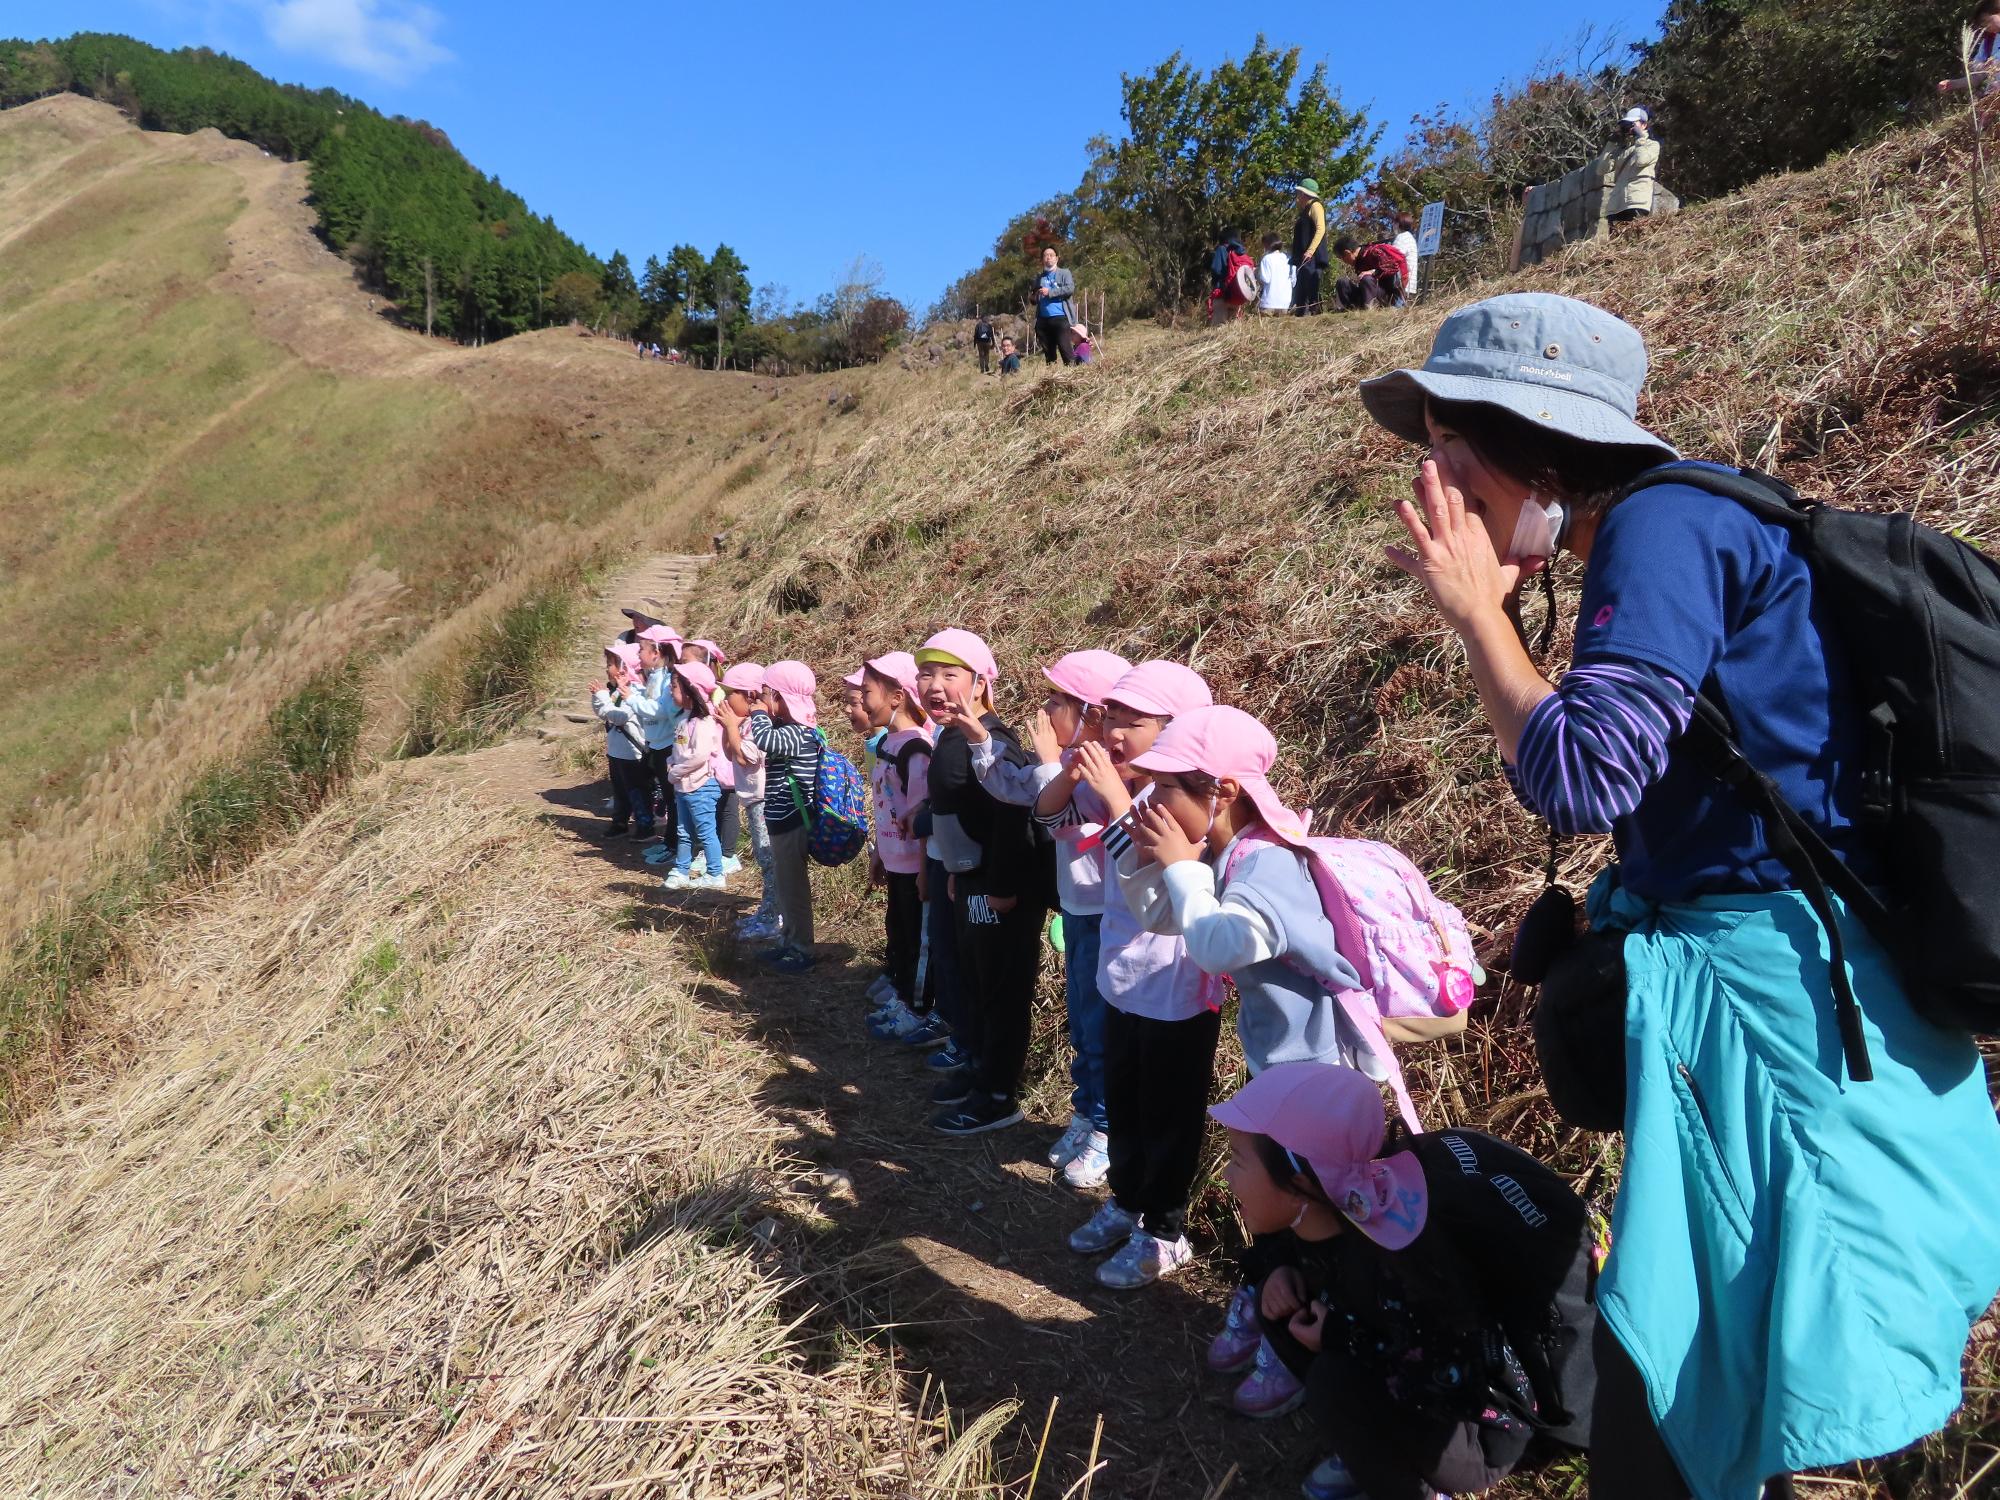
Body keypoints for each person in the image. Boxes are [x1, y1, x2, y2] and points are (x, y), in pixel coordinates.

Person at [1357, 291, 2000, 1498]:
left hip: (1776, 1006)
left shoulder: (1662, 525)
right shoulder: (1671, 527)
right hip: (1775, 980)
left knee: (1739, 1333)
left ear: (1532, 437)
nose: (1433, 476)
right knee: (1736, 1316)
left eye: (1449, 440)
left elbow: (1584, 773)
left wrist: (1478, 620)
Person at [1212, 1063, 1598, 1500]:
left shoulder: (1399, 1262)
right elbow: (1287, 1250)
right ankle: (1370, 1443)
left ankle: (1409, 1481)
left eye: (1238, 1162)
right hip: (1404, 1378)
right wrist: (1278, 1271)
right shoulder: (1326, 1207)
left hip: (1475, 1430)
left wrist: (1341, 1336)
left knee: (1333, 1386)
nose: (1227, 1175)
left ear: (1300, 1185)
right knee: (1277, 1299)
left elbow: (1441, 1374)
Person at [1065, 661, 1218, 1290]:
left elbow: (1164, 897)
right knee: (1126, 1104)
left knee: (1169, 1115)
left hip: (1177, 992)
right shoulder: (1141, 794)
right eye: (1112, 718)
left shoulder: (1188, 804)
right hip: (1122, 978)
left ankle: (1164, 1230)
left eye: (1136, 721)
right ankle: (1126, 1202)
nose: (1117, 734)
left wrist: (1119, 802)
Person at [961, 649, 1130, 1187]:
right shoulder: (1073, 766)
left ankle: (1106, 1128)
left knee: (1102, 1026)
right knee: (1083, 1020)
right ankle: (1086, 1114)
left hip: (1113, 918)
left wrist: (1054, 764)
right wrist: (979, 740)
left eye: (1058, 701)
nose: (1046, 710)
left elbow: (1062, 814)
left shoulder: (1115, 775)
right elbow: (1016, 790)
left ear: (1094, 714)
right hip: (1081, 914)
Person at [918, 629, 1056, 1135]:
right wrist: (959, 874)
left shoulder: (993, 740)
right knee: (977, 985)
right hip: (971, 882)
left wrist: (998, 886)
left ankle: (997, 1097)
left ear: (980, 685)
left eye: (949, 675)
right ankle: (979, 1073)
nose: (934, 685)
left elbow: (1015, 817)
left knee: (1000, 991)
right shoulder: (950, 735)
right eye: (926, 674)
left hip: (999, 891)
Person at [860, 653, 937, 1044]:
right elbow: (887, 806)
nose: (861, 701)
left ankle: (918, 1009)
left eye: (867, 692)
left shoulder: (916, 749)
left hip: (915, 867)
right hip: (896, 860)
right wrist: (879, 852)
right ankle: (903, 997)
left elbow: (922, 819)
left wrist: (925, 870)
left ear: (896, 697)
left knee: (918, 941)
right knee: (899, 933)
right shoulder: (889, 742)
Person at [730, 660, 822, 973]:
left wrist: (756, 714)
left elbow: (765, 741)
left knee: (794, 889)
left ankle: (802, 950)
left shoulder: (798, 732)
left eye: (767, 694)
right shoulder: (788, 729)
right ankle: (788, 941)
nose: (761, 701)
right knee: (785, 886)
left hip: (794, 821)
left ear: (782, 698)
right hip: (782, 819)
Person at [720, 662, 781, 942]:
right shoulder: (743, 723)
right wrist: (727, 727)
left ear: (748, 695)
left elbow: (746, 757)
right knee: (763, 857)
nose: (725, 699)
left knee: (769, 859)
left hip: (764, 801)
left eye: (729, 693)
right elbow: (729, 752)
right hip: (754, 801)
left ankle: (773, 917)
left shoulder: (759, 724)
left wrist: (732, 726)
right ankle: (768, 911)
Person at [663, 661, 727, 892]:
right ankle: (681, 869)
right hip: (683, 786)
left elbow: (699, 756)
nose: (671, 690)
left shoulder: (703, 721)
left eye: (675, 686)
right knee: (684, 831)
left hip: (700, 787)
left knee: (706, 832)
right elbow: (678, 751)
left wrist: (675, 772)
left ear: (691, 690)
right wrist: (671, 763)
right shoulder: (684, 720)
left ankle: (715, 874)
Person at [630, 625, 684, 863]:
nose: (638, 653)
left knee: (672, 799)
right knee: (669, 797)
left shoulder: (668, 678)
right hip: (657, 742)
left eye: (641, 648)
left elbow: (661, 710)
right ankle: (669, 842)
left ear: (657, 652)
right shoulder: (655, 676)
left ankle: (674, 845)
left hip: (668, 744)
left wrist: (632, 700)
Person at [592, 642, 654, 840]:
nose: (607, 668)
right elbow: (605, 713)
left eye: (611, 663)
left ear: (624, 667)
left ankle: (645, 826)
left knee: (636, 791)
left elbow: (619, 716)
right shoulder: (617, 691)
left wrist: (603, 698)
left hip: (632, 753)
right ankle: (620, 823)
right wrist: (598, 698)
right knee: (619, 791)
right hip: (616, 751)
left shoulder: (636, 691)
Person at [1605, 108, 1661, 230]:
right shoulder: (1622, 150)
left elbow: (1641, 161)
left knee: (1634, 238)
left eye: (1632, 124)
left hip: (1636, 200)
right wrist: (1610, 145)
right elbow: (1601, 170)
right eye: (1626, 125)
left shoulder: (1652, 145)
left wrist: (1640, 138)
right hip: (1616, 204)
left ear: (1644, 125)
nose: (1629, 128)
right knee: (1616, 245)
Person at [1333, 236, 1408, 311]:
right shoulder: (1359, 261)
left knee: (1366, 278)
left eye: (1342, 258)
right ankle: (1350, 310)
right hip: (1367, 294)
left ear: (1348, 253)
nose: (1344, 261)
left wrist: (1372, 272)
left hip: (1386, 296)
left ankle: (1370, 309)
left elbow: (1393, 267)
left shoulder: (1375, 251)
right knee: (1342, 282)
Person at [1940, 1, 2000, 93]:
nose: (1987, 27)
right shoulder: (1988, 43)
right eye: (1983, 25)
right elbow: (1976, 77)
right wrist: (1952, 84)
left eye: (1988, 21)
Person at [1290, 177, 1330, 315]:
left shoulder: (1315, 206)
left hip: (1312, 256)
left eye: (1299, 193)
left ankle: (1314, 313)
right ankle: (1301, 313)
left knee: (1311, 285)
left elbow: (1321, 228)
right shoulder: (1305, 210)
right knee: (1301, 286)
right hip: (1304, 256)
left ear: (1304, 194)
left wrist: (1311, 250)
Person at [1033, 247, 1078, 365]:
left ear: (1057, 258)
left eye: (1051, 255)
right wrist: (1033, 297)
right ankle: (1052, 377)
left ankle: (1072, 374)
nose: (1048, 258)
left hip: (1060, 316)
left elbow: (1070, 289)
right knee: (1049, 354)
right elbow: (1034, 296)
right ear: (1042, 259)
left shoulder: (1064, 273)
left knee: (1065, 349)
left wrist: (1050, 292)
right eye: (1045, 255)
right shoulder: (1039, 277)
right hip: (1043, 319)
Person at [1209, 227, 1253, 325]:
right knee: (1233, 325)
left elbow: (1216, 269)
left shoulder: (1222, 249)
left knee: (1219, 326)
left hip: (1221, 293)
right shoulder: (1241, 252)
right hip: (1237, 294)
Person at [1257, 233, 1294, 316]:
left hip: (1269, 301)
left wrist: (1257, 274)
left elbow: (1265, 279)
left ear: (1267, 244)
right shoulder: (1287, 258)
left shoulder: (1266, 259)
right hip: (1285, 302)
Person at [1391, 212, 1420, 304]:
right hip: (1409, 283)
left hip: (1402, 283)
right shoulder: (1410, 237)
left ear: (1398, 224)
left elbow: (1391, 259)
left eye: (1394, 223)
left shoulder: (1402, 238)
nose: (1393, 225)